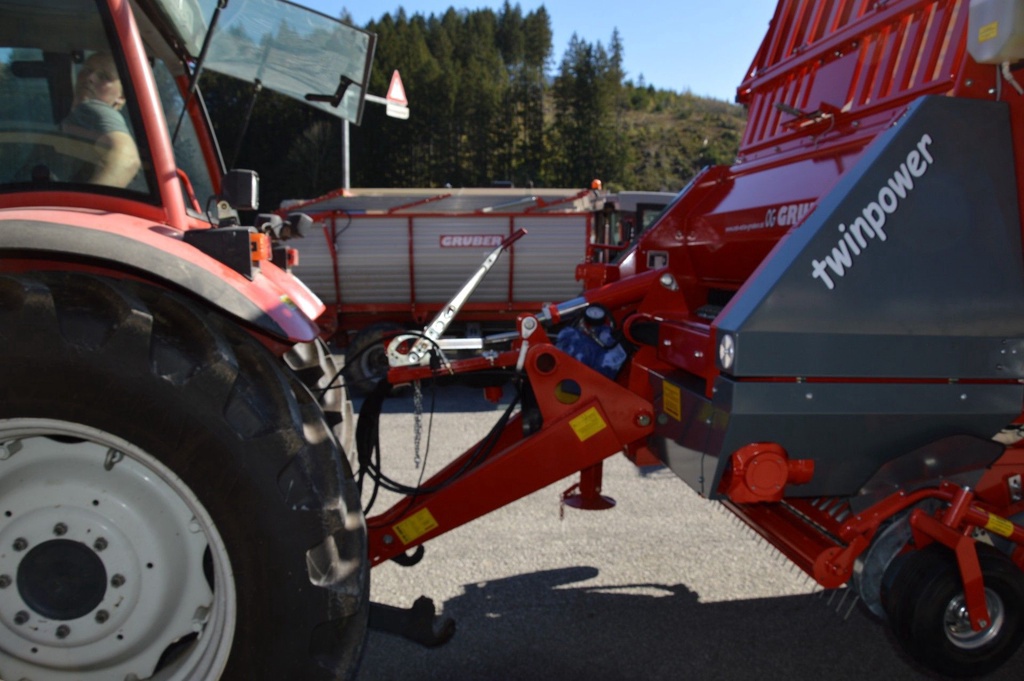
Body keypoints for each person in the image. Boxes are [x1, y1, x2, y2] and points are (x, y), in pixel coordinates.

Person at [59, 52, 140, 188]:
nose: (90, 78)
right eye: (86, 70)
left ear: (121, 97)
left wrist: (84, 206)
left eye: (104, 77)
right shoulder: (81, 120)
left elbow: (127, 160)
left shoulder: (92, 108)